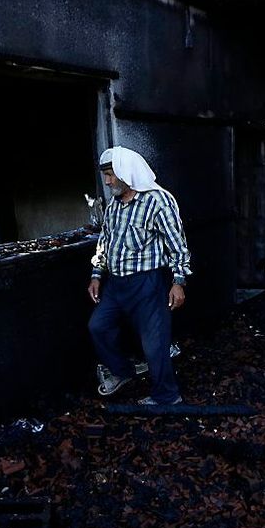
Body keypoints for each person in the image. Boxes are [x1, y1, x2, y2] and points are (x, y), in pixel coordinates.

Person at [87, 146, 191, 405]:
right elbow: (106, 240)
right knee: (98, 326)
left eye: (111, 174)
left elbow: (177, 244)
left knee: (155, 344)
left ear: (126, 171)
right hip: (116, 284)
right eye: (105, 176)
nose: (108, 181)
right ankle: (122, 373)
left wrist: (178, 280)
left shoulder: (157, 200)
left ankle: (167, 397)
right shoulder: (114, 204)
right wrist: (97, 273)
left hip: (147, 283)